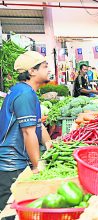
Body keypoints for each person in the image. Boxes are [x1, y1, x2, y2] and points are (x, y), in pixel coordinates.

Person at [0, 51, 52, 211]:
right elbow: (28, 132)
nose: (48, 70)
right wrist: (38, 167)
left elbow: (37, 124)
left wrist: (49, 144)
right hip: (11, 164)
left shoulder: (25, 91)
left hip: (15, 161)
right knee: (9, 211)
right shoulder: (24, 94)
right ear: (32, 71)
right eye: (45, 66)